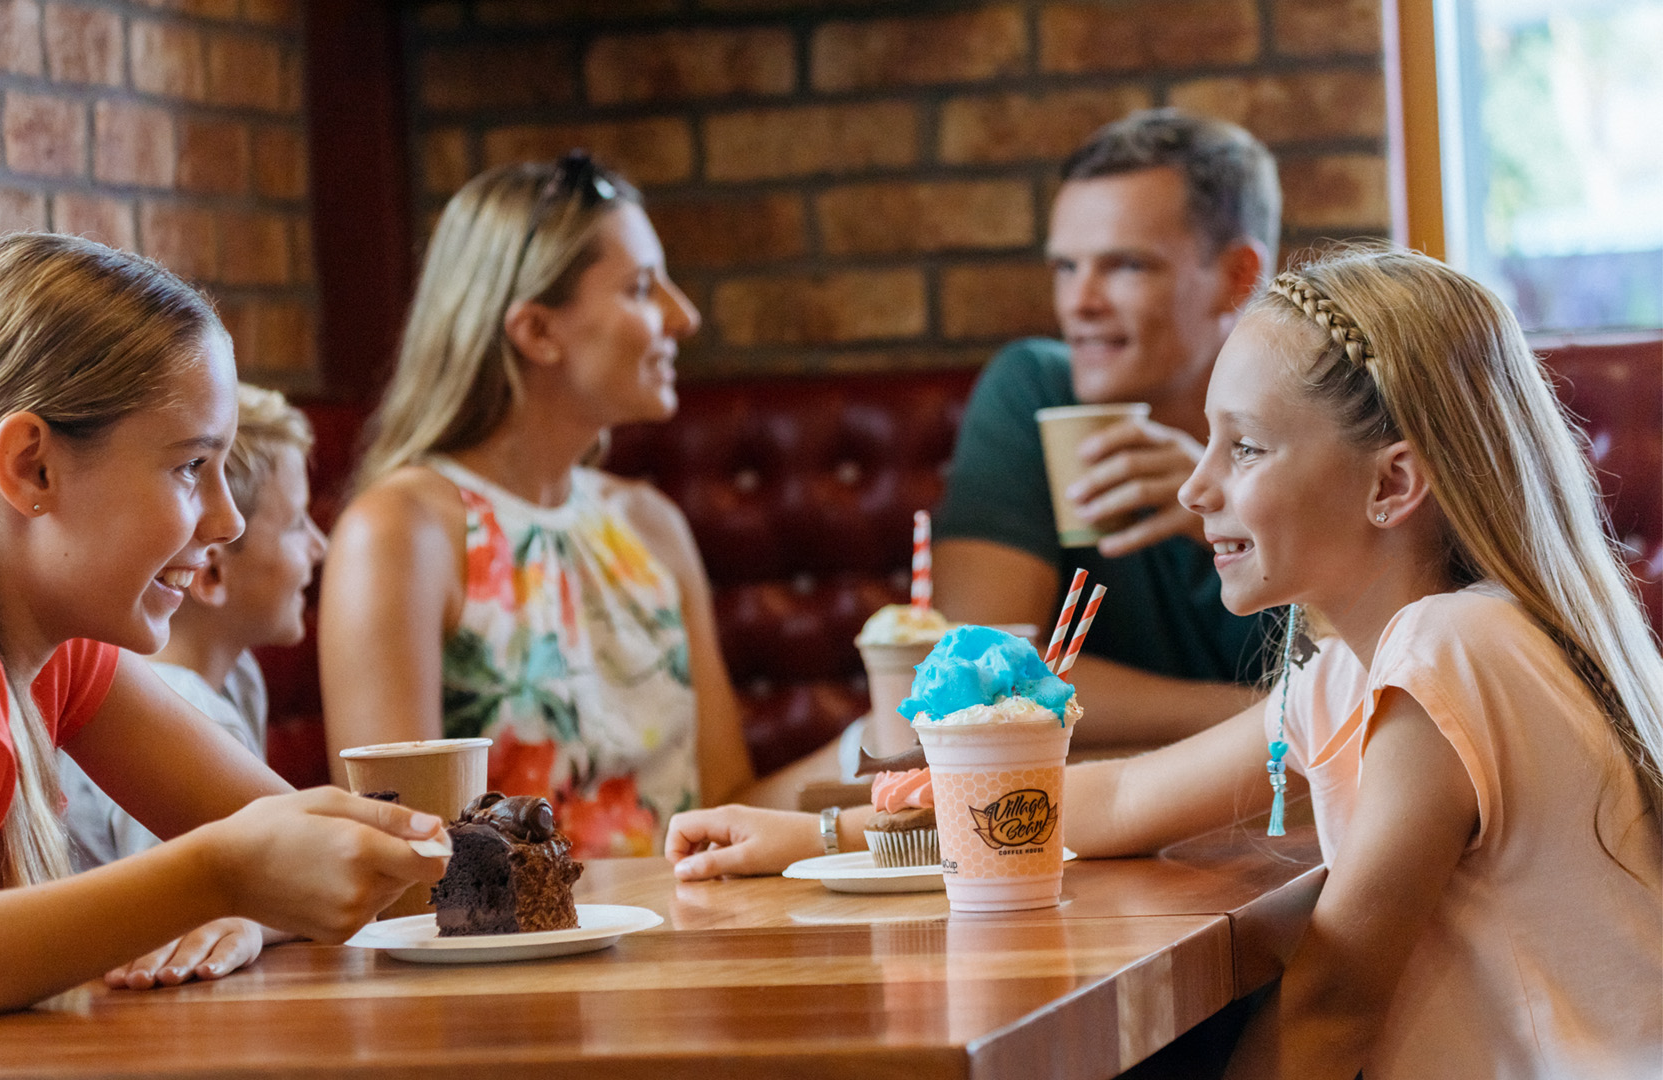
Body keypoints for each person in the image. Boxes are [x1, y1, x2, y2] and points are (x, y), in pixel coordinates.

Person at [666, 246, 1663, 1077]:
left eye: (1246, 450)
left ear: (1392, 481)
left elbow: (1335, 996)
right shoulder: (1362, 671)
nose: (1196, 488)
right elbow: (1108, 803)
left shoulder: (1449, 648)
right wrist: (817, 833)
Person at [0, 234, 446, 1068]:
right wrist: (217, 878)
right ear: (32, 468)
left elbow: (327, 856)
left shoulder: (48, 647)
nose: (226, 522)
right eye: (192, 466)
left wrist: (256, 902)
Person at [319, 153, 798, 860]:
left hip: (685, 944)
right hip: (504, 966)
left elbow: (728, 810)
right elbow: (395, 854)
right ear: (537, 331)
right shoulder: (400, 532)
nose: (684, 315)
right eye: (641, 288)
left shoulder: (651, 525)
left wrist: (891, 742)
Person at [932, 108, 1281, 745]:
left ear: (1239, 278)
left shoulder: (1333, 413)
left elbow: (1390, 665)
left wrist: (1229, 515)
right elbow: (977, 683)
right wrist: (1277, 717)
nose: (1079, 303)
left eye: (1125, 266)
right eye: (1066, 267)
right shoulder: (1034, 391)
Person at [62, 382, 326, 873]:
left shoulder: (239, 676)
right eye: (295, 523)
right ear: (211, 572)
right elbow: (197, 910)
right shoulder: (193, 709)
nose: (320, 545)